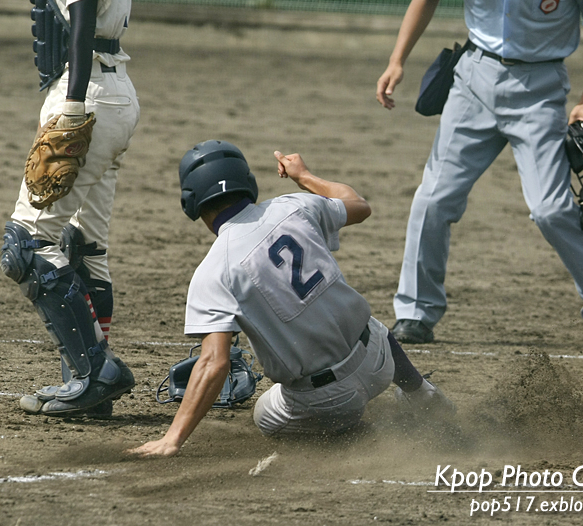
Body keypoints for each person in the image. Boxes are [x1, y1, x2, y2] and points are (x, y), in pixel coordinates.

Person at [128, 140, 455, 456]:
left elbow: (214, 362)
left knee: (264, 414)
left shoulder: (212, 272)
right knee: (368, 322)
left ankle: (366, 439)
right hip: (379, 362)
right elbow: (359, 206)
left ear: (191, 202)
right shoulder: (295, 205)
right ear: (248, 182)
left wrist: (172, 439)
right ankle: (423, 395)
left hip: (325, 401)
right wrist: (305, 177)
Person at [376, 0, 583, 348]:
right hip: (473, 81)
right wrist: (396, 60)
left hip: (540, 87)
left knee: (550, 209)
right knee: (433, 198)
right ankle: (415, 313)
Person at [0, 0, 140, 416]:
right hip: (116, 94)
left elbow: (80, 23)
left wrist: (73, 108)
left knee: (26, 244)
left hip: (85, 96)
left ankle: (95, 372)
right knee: (84, 249)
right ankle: (91, 390)